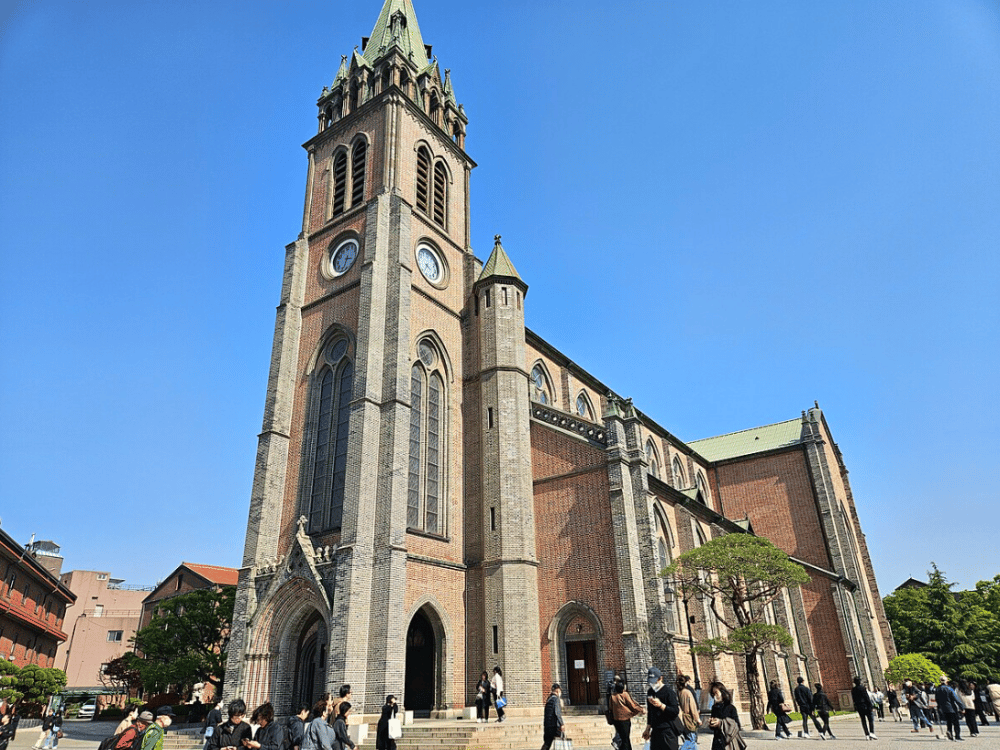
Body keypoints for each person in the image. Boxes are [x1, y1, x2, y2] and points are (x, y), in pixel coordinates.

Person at [643, 666, 680, 750]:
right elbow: (650, 712)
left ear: (660, 678)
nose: (653, 684)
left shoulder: (669, 692)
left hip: (668, 729)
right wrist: (648, 729)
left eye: (654, 681)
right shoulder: (650, 692)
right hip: (656, 730)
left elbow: (675, 711)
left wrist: (661, 705)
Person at [610, 677, 644, 750]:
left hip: (616, 720)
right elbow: (632, 705)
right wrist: (641, 710)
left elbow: (610, 708)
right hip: (625, 719)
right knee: (625, 739)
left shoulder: (612, 696)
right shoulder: (624, 694)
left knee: (622, 738)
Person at [708, 682, 741, 750]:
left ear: (722, 692)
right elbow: (713, 727)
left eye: (716, 693)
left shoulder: (730, 708)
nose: (715, 696)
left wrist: (721, 723)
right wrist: (711, 723)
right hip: (717, 741)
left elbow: (737, 725)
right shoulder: (714, 708)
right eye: (713, 694)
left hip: (728, 741)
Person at [934, 676, 963, 741]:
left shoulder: (937, 689)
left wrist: (939, 706)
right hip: (952, 707)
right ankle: (957, 736)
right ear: (946, 681)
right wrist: (962, 707)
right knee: (956, 723)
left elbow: (937, 699)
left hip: (943, 708)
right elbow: (956, 698)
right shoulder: (949, 689)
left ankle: (950, 733)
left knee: (949, 722)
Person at [674, 675, 698, 749]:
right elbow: (693, 707)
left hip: (683, 719)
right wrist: (697, 719)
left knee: (692, 742)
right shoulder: (687, 692)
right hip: (689, 719)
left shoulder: (679, 692)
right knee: (691, 740)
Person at [540, 684, 565, 750]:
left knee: (547, 743)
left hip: (547, 725)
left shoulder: (549, 699)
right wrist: (561, 724)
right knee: (559, 742)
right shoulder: (556, 699)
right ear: (557, 690)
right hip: (554, 726)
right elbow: (557, 713)